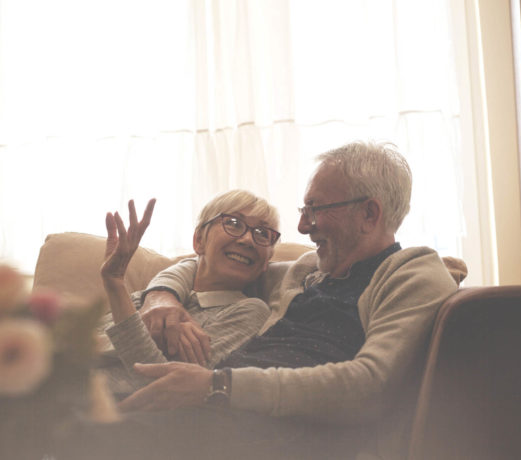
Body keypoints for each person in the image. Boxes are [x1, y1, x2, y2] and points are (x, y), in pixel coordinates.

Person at [61, 140, 460, 460]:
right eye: (304, 211)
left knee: (80, 436)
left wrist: (218, 386)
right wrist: (159, 295)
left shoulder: (412, 272)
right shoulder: (308, 269)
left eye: (315, 209)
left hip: (282, 431)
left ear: (370, 214)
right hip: (218, 411)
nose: (303, 226)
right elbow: (210, 268)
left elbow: (370, 385)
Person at [98, 190, 281, 394]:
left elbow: (166, 389)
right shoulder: (146, 297)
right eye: (234, 223)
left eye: (263, 234)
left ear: (266, 262)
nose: (248, 240)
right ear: (199, 241)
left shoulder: (249, 312)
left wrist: (115, 283)